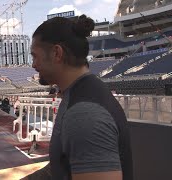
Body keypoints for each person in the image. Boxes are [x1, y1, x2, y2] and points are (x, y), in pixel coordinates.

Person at [23, 15, 133, 180]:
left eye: (35, 56)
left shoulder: (84, 114)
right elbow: (63, 165)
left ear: (56, 53)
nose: (33, 64)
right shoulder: (81, 94)